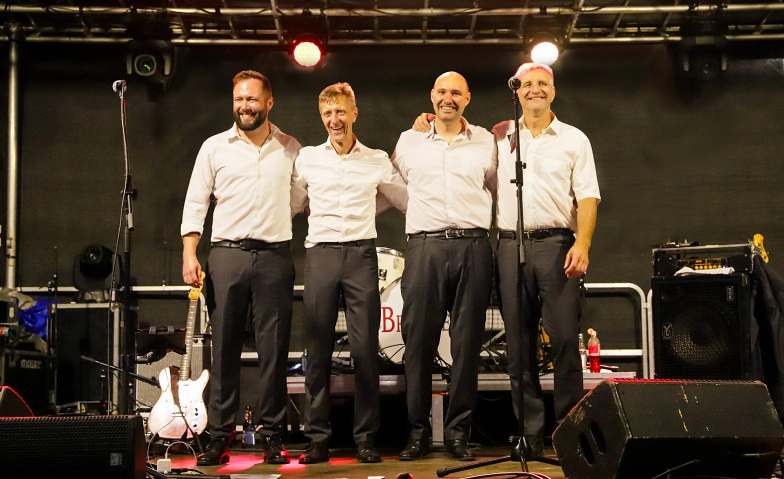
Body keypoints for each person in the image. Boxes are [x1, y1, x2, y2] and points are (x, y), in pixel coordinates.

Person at [181, 70, 302, 466]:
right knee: (224, 350)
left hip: (274, 257)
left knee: (274, 351)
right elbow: (196, 201)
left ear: (269, 103)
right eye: (238, 99)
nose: (244, 106)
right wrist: (189, 252)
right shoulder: (214, 147)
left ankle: (272, 437)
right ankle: (219, 437)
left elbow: (301, 197)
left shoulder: (290, 148)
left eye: (251, 99)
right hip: (227, 255)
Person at [290, 82, 406, 464]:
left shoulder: (376, 159)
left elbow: (405, 198)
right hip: (321, 254)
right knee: (317, 350)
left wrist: (366, 210)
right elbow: (290, 204)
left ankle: (366, 438)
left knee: (365, 351)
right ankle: (317, 439)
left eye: (340, 111)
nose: (334, 119)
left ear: (354, 113)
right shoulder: (307, 158)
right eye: (328, 113)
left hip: (360, 255)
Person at [494, 63, 600, 458]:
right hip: (511, 245)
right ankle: (531, 434)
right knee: (518, 346)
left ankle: (569, 433)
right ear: (517, 91)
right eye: (527, 84)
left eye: (542, 83)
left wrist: (583, 244)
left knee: (564, 342)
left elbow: (587, 196)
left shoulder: (573, 139)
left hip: (557, 245)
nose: (534, 89)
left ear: (553, 91)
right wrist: (426, 122)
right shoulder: (501, 137)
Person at [392, 72, 497, 462]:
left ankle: (458, 434)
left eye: (455, 92)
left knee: (467, 345)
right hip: (426, 246)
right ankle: (418, 433)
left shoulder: (486, 141)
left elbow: (497, 187)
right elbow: (394, 187)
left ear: (467, 98)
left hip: (473, 245)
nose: (447, 98)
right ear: (431, 97)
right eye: (441, 92)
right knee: (418, 343)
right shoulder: (409, 140)